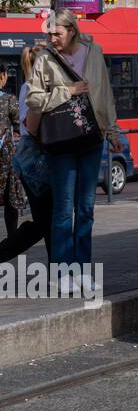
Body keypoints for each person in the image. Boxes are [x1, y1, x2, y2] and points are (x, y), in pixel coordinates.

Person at [25, 11, 124, 293]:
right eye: (50, 33)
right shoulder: (45, 58)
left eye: (57, 33)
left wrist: (113, 131)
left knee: (86, 209)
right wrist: (67, 91)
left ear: (72, 30)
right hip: (60, 141)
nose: (52, 38)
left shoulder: (94, 52)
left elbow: (104, 94)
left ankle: (82, 270)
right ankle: (61, 273)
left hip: (91, 140)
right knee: (63, 210)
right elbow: (33, 98)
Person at [1, 46, 54, 263]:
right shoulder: (32, 88)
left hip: (30, 160)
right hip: (37, 161)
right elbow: (30, 127)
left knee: (47, 220)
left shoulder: (25, 88)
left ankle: (60, 268)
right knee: (46, 221)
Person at [0, 68, 23, 237]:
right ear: (2, 76)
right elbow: (19, 125)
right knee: (10, 199)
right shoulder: (9, 100)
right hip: (5, 159)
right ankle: (12, 238)